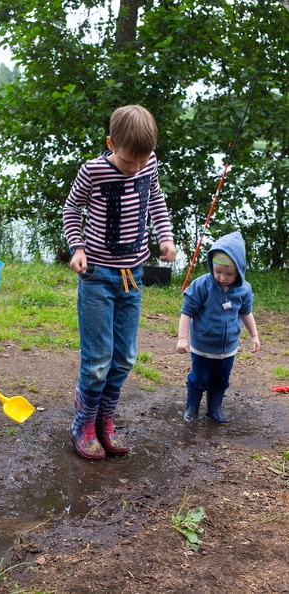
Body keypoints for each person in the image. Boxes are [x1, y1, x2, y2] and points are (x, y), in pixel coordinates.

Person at [63, 104, 177, 460]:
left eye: (143, 161)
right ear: (111, 144)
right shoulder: (93, 171)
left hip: (134, 276)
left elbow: (155, 200)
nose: (137, 168)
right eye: (130, 162)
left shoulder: (149, 163)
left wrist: (166, 236)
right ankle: (83, 424)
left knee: (125, 357)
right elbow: (71, 209)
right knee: (98, 358)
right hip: (97, 276)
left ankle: (104, 421)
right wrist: (77, 246)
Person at [176, 231, 260, 424]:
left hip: (228, 348)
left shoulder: (244, 289)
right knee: (199, 378)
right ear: (211, 266)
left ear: (239, 270)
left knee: (221, 381)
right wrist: (182, 338)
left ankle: (214, 410)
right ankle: (192, 409)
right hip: (202, 346)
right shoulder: (202, 285)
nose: (222, 277)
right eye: (218, 271)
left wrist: (254, 336)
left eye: (229, 273)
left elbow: (246, 313)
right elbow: (186, 311)